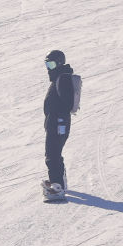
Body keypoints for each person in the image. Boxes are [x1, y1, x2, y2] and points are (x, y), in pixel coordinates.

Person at [43, 50, 75, 197]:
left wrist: (57, 116)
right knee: (53, 153)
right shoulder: (60, 78)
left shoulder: (63, 78)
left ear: (59, 63)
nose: (49, 68)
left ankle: (57, 187)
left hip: (58, 123)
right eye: (47, 64)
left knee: (52, 154)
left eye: (52, 64)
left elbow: (67, 103)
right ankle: (59, 183)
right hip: (55, 122)